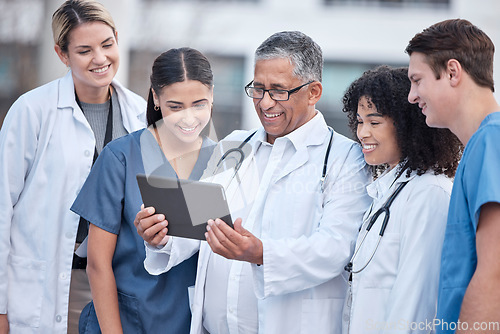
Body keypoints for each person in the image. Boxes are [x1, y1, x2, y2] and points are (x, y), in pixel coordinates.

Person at [135, 31, 372, 334]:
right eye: (258, 89)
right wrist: (162, 235)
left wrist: (260, 253)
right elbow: (200, 223)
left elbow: (335, 248)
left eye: (278, 90)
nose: (265, 102)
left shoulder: (344, 159)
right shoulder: (234, 146)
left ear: (313, 92)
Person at [0, 0, 146, 332]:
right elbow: (1, 207)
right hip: (46, 286)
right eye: (84, 50)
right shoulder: (32, 111)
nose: (100, 58)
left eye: (107, 44)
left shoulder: (138, 114)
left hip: (116, 286)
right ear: (62, 55)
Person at [70, 47, 217, 333]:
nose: (189, 118)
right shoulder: (121, 157)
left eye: (199, 104)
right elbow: (97, 265)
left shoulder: (223, 162)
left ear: (212, 95)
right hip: (124, 320)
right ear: (156, 98)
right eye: (176, 106)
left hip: (190, 321)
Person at [341, 65, 462, 334]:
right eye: (360, 122)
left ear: (407, 126)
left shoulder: (430, 193)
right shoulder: (384, 193)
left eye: (374, 122)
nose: (362, 133)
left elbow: (417, 303)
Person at [406, 19, 500, 334]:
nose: (411, 96)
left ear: (452, 72)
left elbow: (495, 272)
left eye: (416, 80)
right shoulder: (481, 146)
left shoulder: (492, 142)